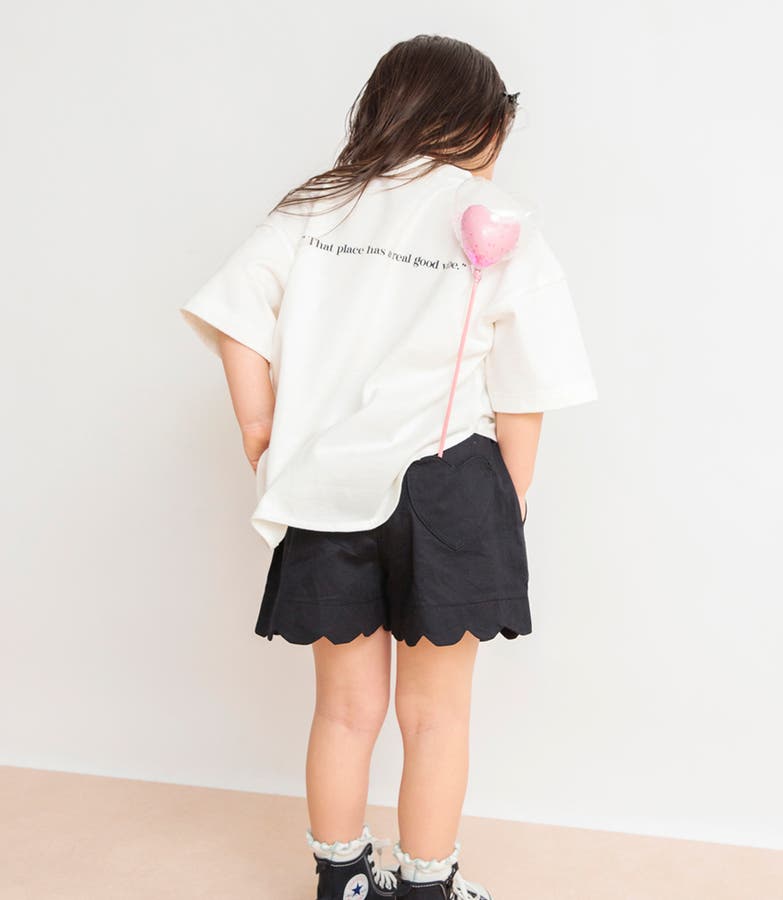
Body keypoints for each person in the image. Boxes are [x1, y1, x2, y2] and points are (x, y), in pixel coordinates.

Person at [179, 33, 598, 900]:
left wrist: (260, 428)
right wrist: (512, 494)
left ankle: (341, 880)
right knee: (435, 716)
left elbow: (236, 316)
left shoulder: (318, 206)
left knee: (343, 709)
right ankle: (426, 887)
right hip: (450, 479)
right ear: (479, 124)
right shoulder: (498, 219)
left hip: (325, 481)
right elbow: (528, 383)